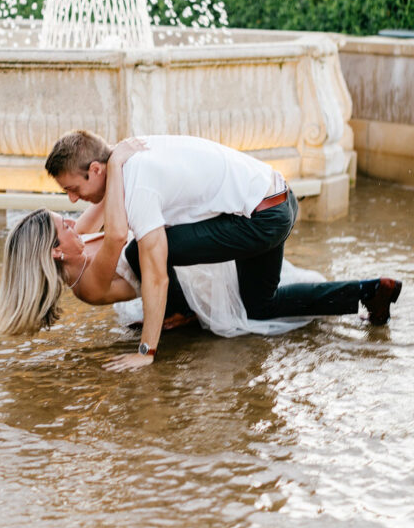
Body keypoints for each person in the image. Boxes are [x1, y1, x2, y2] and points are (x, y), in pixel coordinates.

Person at [41, 131, 401, 371]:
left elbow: (156, 275)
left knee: (146, 252)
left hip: (261, 220)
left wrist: (145, 352)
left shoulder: (136, 186)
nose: (73, 199)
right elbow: (97, 209)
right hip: (279, 199)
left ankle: (182, 311)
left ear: (96, 169)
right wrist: (52, 237)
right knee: (261, 305)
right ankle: (368, 291)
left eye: (74, 189)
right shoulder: (129, 154)